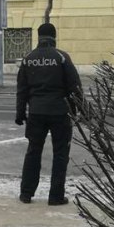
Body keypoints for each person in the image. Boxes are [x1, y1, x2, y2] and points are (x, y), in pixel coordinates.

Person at [15, 22, 83, 206]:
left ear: (38, 37)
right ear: (54, 37)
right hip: (60, 112)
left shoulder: (28, 59)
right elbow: (75, 87)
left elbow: (22, 89)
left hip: (36, 112)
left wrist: (20, 113)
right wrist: (80, 110)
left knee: (33, 151)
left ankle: (26, 193)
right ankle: (55, 196)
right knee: (60, 154)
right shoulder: (61, 57)